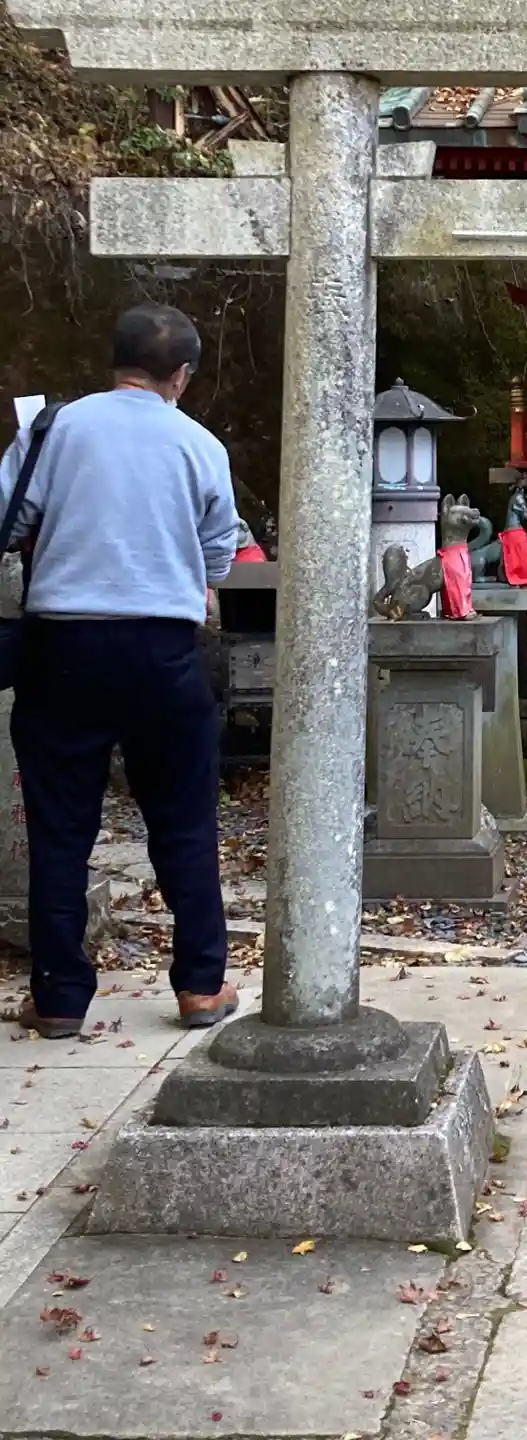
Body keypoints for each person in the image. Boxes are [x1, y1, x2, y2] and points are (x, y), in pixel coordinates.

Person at [0, 305, 241, 1039]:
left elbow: (9, 518)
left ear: (115, 362)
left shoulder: (54, 429)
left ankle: (60, 996)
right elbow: (219, 553)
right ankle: (201, 984)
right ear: (182, 375)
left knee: (60, 825)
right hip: (162, 649)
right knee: (183, 819)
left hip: (63, 647)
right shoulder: (199, 444)